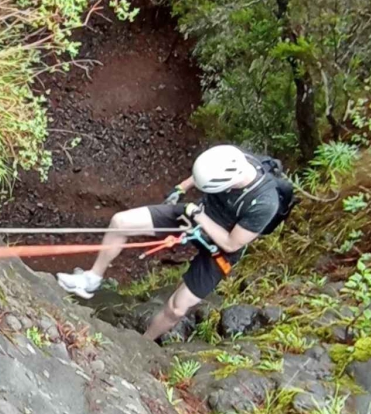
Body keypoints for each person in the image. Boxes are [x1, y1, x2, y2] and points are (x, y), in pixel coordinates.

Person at [55, 144, 282, 341]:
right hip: (194, 215)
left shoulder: (264, 204)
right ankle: (91, 279)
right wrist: (180, 189)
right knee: (120, 222)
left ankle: (143, 343)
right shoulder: (227, 157)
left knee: (176, 308)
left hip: (219, 247)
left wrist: (197, 215)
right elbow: (199, 175)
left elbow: (232, 243)